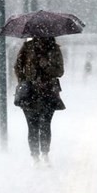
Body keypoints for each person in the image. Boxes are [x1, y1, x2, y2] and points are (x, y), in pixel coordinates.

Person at [14, 37, 65, 166]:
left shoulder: (55, 49)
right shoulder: (27, 47)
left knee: (45, 125)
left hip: (48, 92)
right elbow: (17, 67)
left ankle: (45, 154)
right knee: (32, 126)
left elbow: (60, 71)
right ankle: (35, 156)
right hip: (30, 94)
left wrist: (46, 65)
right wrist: (24, 81)